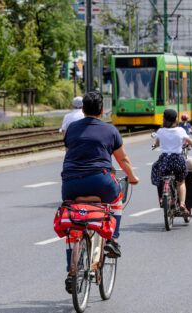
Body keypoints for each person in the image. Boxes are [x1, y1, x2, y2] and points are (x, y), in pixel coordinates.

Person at [62, 91, 139, 265]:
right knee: (117, 200)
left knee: (71, 224)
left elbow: (68, 154)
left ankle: (71, 267)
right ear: (103, 110)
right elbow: (122, 159)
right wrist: (132, 177)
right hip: (100, 181)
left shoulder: (72, 128)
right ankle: (113, 239)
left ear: (82, 109)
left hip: (70, 183)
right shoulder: (110, 130)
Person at [151, 109, 192, 215]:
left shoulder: (160, 131)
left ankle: (161, 198)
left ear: (164, 119)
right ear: (175, 119)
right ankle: (182, 203)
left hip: (164, 160)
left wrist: (156, 144)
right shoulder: (180, 130)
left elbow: (158, 143)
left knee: (158, 174)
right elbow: (190, 141)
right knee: (181, 182)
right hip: (177, 159)